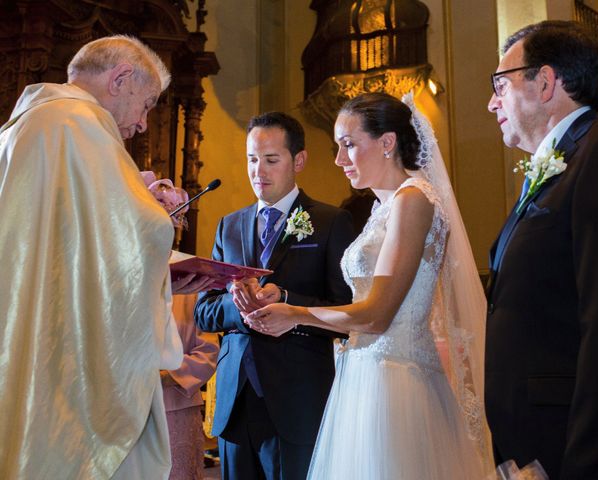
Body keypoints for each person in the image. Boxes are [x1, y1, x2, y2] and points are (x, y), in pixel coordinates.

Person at [245, 92, 494, 479]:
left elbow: (377, 315)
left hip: (396, 382)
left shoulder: (414, 200)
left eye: (348, 145)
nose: (339, 160)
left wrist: (295, 314)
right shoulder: (384, 207)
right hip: (362, 376)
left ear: (387, 142)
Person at [0, 35, 188, 480]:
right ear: (120, 79)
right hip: (60, 351)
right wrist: (156, 217)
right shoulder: (80, 124)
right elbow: (128, 242)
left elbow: (59, 240)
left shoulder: (24, 126)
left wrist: (131, 196)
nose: (143, 124)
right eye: (145, 104)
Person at [485, 20, 598, 479]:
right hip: (533, 443)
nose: (491, 102)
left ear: (546, 81)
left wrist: (587, 463)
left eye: (500, 84)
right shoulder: (557, 167)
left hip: (575, 448)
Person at [193, 112, 355, 479]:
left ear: (298, 161)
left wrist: (286, 299)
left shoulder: (331, 222)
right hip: (236, 402)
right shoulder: (229, 225)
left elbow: (347, 312)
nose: (258, 171)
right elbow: (204, 312)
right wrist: (241, 306)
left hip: (296, 398)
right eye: (251, 159)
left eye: (270, 160)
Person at [162, 294, 219, 480]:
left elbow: (208, 352)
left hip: (176, 410)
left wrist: (170, 376)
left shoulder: (190, 290)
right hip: (124, 412)